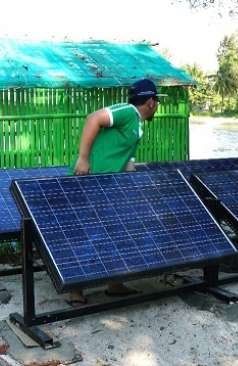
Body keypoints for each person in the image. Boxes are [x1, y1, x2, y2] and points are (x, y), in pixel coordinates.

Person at [68, 78, 163, 306]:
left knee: (115, 231)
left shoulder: (137, 126)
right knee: (85, 233)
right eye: (157, 101)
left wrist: (133, 189)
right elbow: (94, 119)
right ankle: (75, 289)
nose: (157, 105)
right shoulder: (128, 112)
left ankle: (115, 283)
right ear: (150, 102)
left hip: (110, 186)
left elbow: (127, 160)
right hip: (90, 180)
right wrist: (83, 159)